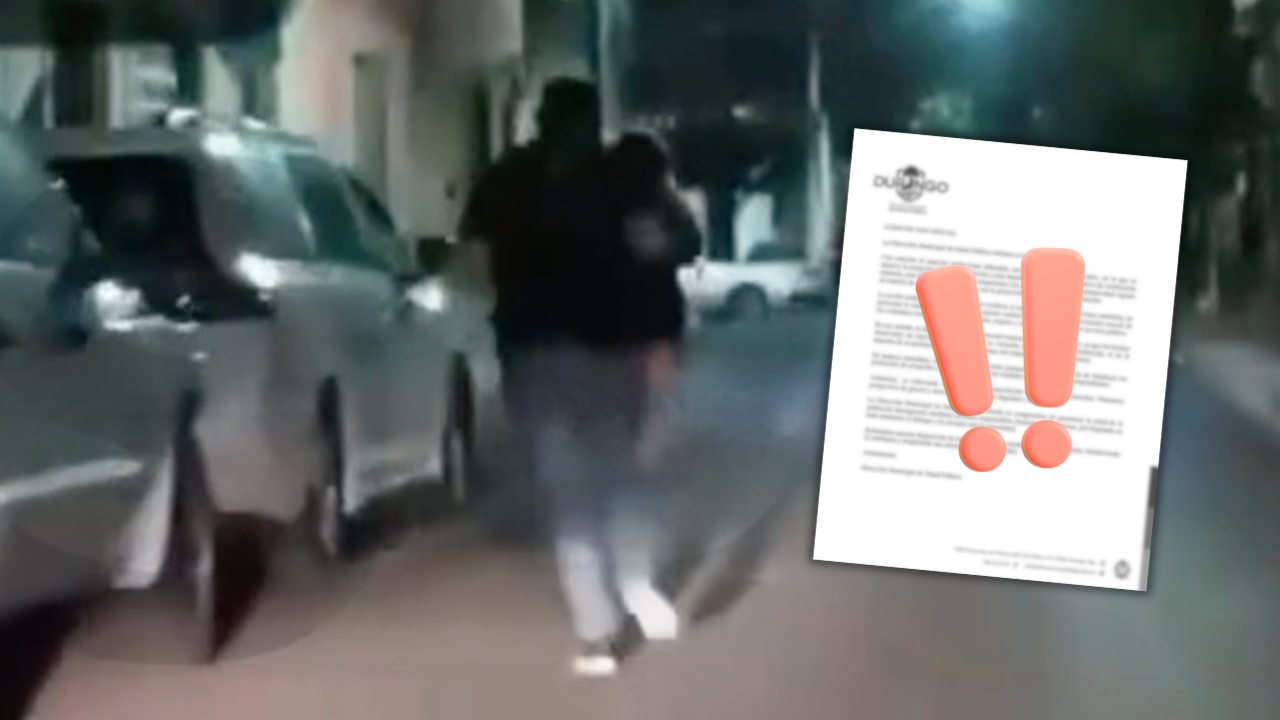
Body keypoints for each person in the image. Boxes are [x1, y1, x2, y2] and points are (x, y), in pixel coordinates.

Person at [458, 79, 682, 677]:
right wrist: (662, 342)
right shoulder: (623, 178)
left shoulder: (505, 179)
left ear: (540, 119)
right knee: (623, 474)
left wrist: (509, 304)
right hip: (618, 352)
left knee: (569, 494)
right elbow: (654, 259)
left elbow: (475, 266)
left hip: (536, 354)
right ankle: (635, 580)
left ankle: (596, 631)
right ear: (594, 120)